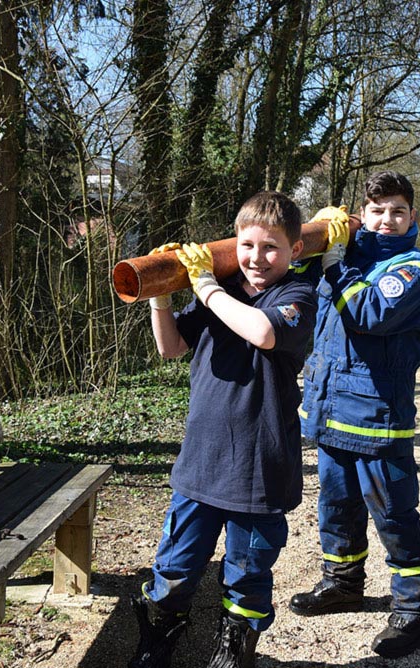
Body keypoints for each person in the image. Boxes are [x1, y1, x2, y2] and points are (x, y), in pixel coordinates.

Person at [131, 191, 318, 668]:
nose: (257, 257)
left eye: (271, 247)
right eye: (248, 245)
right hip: (201, 465)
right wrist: (163, 295)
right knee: (173, 567)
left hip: (260, 472)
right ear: (235, 244)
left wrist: (205, 285)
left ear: (295, 250)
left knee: (248, 573)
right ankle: (157, 643)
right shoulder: (223, 289)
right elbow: (171, 347)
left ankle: (234, 653)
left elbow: (262, 332)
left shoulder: (297, 296)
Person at [290, 171, 420, 659]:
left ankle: (415, 610)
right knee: (335, 506)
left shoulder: (411, 268)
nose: (386, 219)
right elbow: (293, 285)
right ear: (366, 212)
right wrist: (316, 240)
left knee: (394, 515)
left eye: (397, 211)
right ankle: (342, 582)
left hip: (379, 420)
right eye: (377, 210)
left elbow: (370, 312)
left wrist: (336, 264)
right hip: (332, 411)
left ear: (412, 218)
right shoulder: (346, 258)